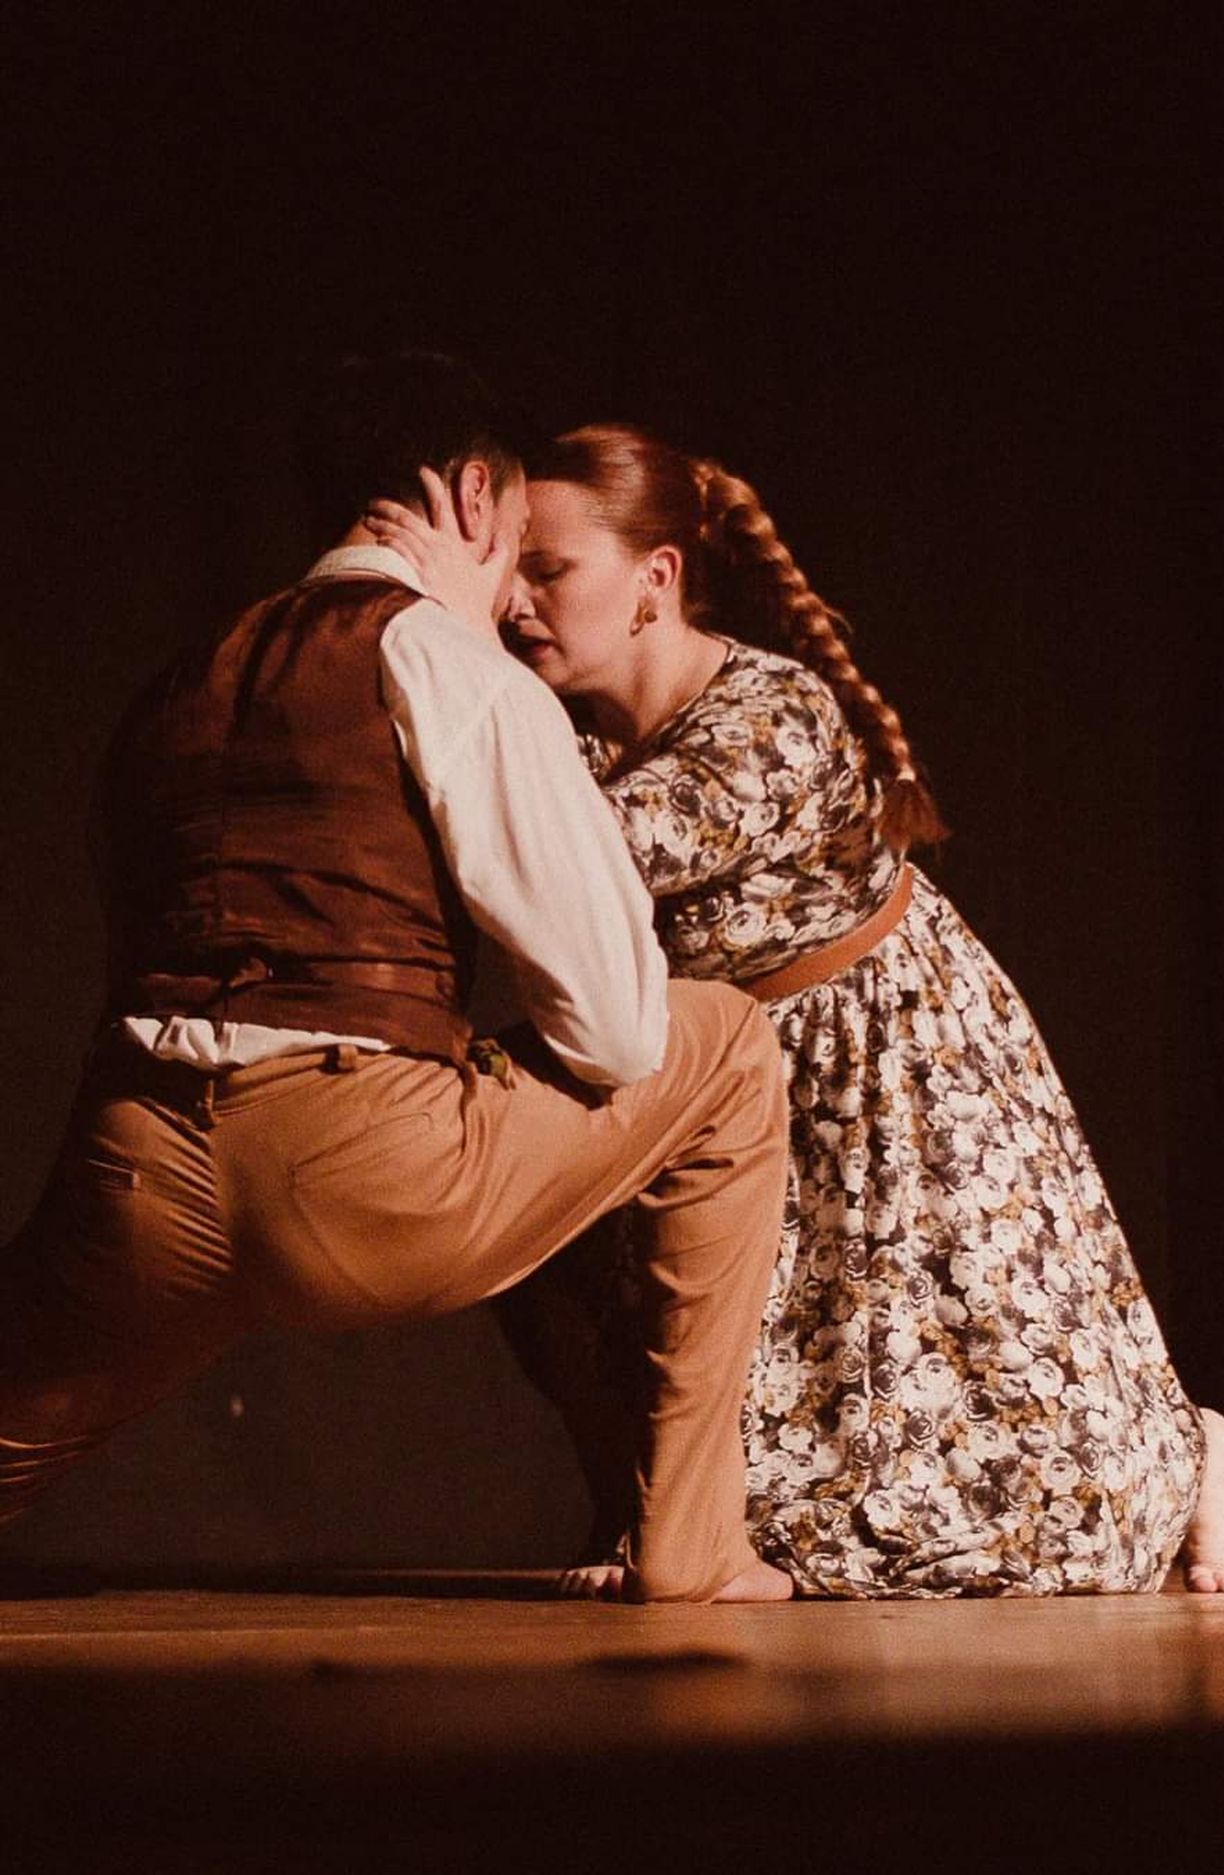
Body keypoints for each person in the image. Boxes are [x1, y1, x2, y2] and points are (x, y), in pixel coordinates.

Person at [367, 425, 1224, 1598]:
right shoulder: (569, 734)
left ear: (656, 580)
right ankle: (671, 1526)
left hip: (877, 1070)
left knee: (1014, 1495)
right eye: (510, 570)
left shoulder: (772, 717)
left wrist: (440, 643)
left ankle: (1195, 1453)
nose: (519, 601)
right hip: (711, 1073)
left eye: (551, 569)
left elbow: (588, 858)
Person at [0, 362, 794, 1605]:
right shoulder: (453, 667)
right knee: (725, 1043)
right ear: (473, 495)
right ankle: (692, 1547)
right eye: (522, 541)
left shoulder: (178, 683)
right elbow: (618, 1029)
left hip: (135, 1181)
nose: (519, 595)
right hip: (364, 1180)